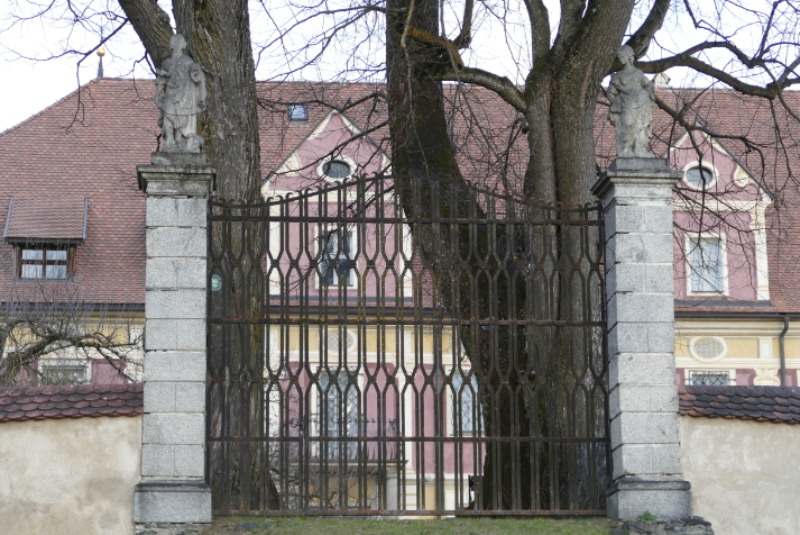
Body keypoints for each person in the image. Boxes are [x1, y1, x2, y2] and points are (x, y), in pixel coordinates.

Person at [155, 34, 207, 153]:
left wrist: (196, 71)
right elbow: (162, 79)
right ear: (177, 44)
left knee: (181, 117)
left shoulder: (188, 61)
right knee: (168, 115)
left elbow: (195, 73)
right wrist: (157, 93)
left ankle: (179, 139)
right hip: (170, 94)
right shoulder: (167, 63)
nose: (185, 44)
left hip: (184, 95)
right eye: (183, 42)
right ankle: (169, 140)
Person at [608, 45, 655, 157]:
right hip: (626, 103)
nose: (619, 58)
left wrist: (651, 94)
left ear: (628, 56)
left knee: (640, 127)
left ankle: (639, 149)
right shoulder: (617, 76)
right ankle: (626, 150)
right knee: (628, 124)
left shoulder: (638, 73)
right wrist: (615, 102)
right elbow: (610, 93)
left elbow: (648, 86)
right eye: (619, 56)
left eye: (621, 55)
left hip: (642, 102)